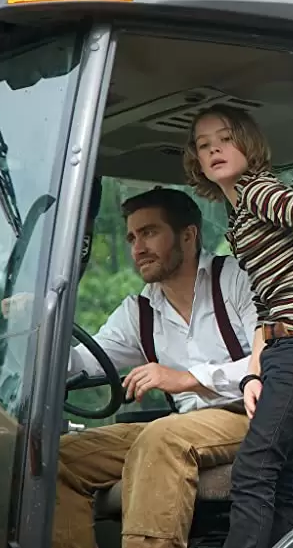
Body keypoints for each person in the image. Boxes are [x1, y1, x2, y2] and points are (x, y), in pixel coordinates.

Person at [184, 103, 293, 548]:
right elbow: (266, 303)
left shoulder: (260, 191)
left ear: (248, 142)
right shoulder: (238, 219)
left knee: (255, 466)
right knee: (282, 473)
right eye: (204, 146)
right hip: (285, 348)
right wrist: (254, 374)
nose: (214, 149)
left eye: (224, 138)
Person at [51, 186, 259, 548]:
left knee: (162, 437)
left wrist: (187, 379)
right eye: (132, 237)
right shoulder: (140, 312)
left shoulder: (237, 279)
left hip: (248, 414)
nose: (137, 248)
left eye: (149, 233)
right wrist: (44, 326)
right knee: (58, 458)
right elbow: (81, 365)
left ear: (189, 235)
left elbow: (271, 357)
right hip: (184, 424)